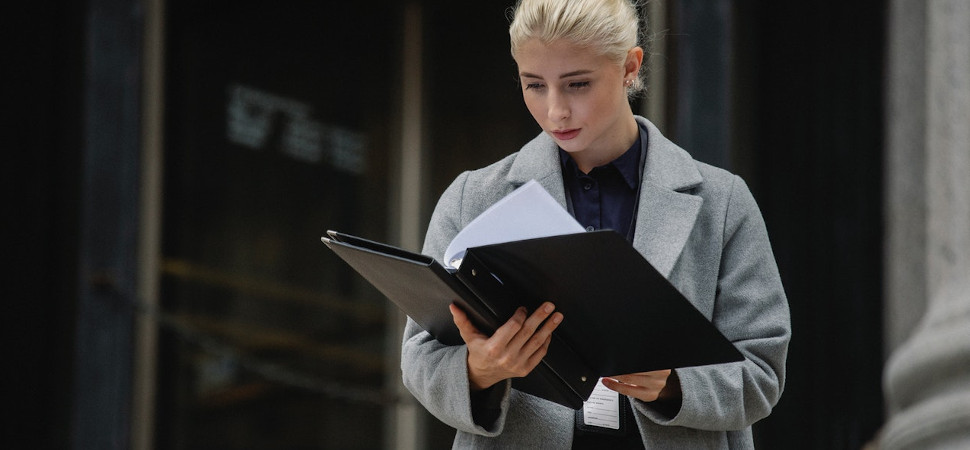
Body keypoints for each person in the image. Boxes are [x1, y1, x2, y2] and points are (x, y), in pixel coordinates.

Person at [400, 0, 791, 447]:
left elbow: (762, 370)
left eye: (578, 84)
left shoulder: (721, 204)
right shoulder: (476, 196)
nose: (556, 111)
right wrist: (479, 370)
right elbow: (420, 357)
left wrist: (674, 385)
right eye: (534, 85)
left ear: (630, 66)